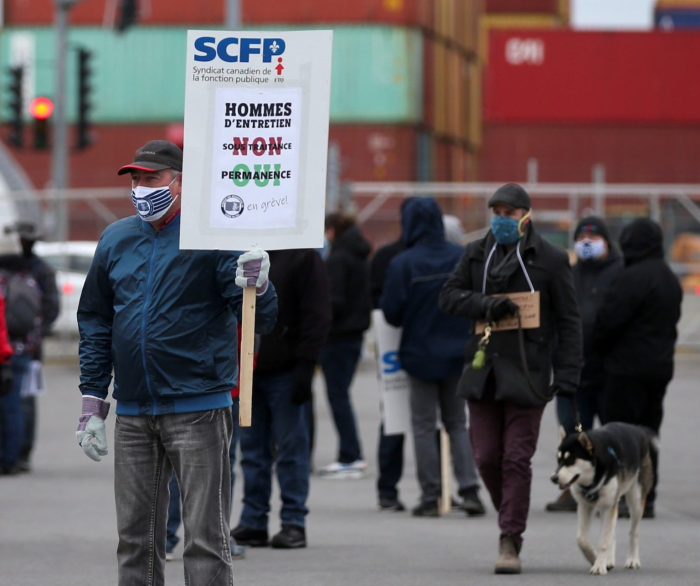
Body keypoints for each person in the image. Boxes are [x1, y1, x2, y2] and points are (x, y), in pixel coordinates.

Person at [75, 139, 278, 586]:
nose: (141, 188)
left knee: (205, 539)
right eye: (136, 179)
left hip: (198, 408)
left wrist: (260, 285)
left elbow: (261, 317)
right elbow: (95, 320)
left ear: (180, 183)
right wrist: (93, 400)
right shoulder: (116, 238)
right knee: (135, 541)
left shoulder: (213, 238)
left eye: (152, 179)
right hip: (133, 411)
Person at [438, 183, 582, 574]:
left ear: (526, 215)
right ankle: (510, 513)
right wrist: (485, 304)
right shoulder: (476, 253)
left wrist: (568, 375)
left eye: (509, 213)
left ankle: (510, 539)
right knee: (486, 457)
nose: (502, 219)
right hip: (483, 372)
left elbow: (569, 322)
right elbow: (448, 296)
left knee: (517, 458)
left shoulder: (550, 260)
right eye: (496, 212)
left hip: (528, 374)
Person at [381, 197, 485, 518]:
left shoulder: (404, 263)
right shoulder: (461, 257)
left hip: (420, 355)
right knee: (457, 422)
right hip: (458, 354)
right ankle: (469, 490)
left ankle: (431, 494)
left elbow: (392, 312)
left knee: (424, 425)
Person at [232, 248, 331, 549]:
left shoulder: (302, 256)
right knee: (253, 451)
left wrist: (306, 363)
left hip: (286, 368)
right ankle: (254, 520)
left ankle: (293, 522)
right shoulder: (241, 253)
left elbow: (317, 313)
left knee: (290, 450)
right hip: (248, 368)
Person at [594, 217, 682, 519]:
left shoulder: (630, 278)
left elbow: (608, 322)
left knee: (619, 433)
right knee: (649, 433)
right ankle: (647, 496)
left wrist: (598, 350)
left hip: (625, 369)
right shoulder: (669, 278)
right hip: (659, 369)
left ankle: (620, 494)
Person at [546, 216, 623, 513]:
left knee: (611, 433)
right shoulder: (570, 273)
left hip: (608, 371)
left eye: (594, 236)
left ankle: (611, 489)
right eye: (582, 236)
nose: (587, 241)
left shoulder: (619, 272)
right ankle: (571, 489)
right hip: (572, 371)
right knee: (571, 433)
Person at [0, 221, 59, 473]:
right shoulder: (40, 270)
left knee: (12, 402)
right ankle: (20, 453)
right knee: (23, 401)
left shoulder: (5, 269)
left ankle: (12, 454)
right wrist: (36, 336)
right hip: (28, 348)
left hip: (10, 347)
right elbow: (51, 308)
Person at [318, 213, 371, 478]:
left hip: (337, 337)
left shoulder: (338, 259)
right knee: (342, 394)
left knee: (337, 396)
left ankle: (350, 454)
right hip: (354, 334)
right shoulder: (358, 254)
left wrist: (320, 319)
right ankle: (351, 453)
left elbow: (334, 299)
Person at [369, 202, 410, 511]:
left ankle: (387, 488)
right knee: (436, 422)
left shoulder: (385, 257)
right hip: (434, 351)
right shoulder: (446, 256)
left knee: (393, 418)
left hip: (391, 349)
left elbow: (374, 302)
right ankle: (437, 488)